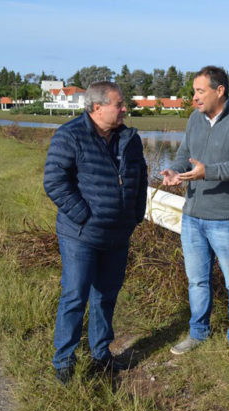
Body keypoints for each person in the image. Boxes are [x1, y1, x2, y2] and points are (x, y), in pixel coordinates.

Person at [43, 81, 148, 385]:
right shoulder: (70, 135)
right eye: (119, 104)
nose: (125, 109)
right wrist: (84, 216)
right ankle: (64, 359)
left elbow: (140, 178)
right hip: (81, 235)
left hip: (118, 234)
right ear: (97, 107)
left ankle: (101, 354)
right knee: (75, 295)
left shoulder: (130, 138)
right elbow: (54, 182)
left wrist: (134, 215)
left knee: (106, 296)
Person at [159, 66, 229, 361]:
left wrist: (208, 173)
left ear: (220, 91)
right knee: (197, 280)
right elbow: (183, 156)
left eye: (200, 91)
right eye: (194, 92)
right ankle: (197, 333)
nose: (194, 98)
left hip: (228, 219)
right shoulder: (194, 119)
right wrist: (175, 172)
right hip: (193, 216)